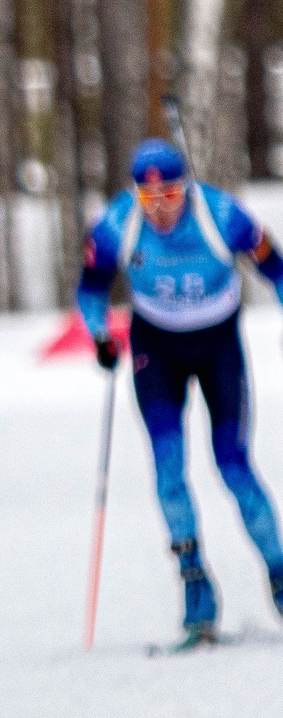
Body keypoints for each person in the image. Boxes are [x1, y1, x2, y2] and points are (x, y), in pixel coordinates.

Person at [81, 137, 283, 641]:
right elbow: (89, 289)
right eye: (149, 199)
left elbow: (275, 268)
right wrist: (101, 336)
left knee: (233, 465)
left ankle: (280, 575)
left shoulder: (222, 214)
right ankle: (196, 588)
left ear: (185, 189)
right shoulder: (116, 223)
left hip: (218, 346)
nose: (160, 209)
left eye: (170, 195)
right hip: (157, 349)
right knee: (169, 468)